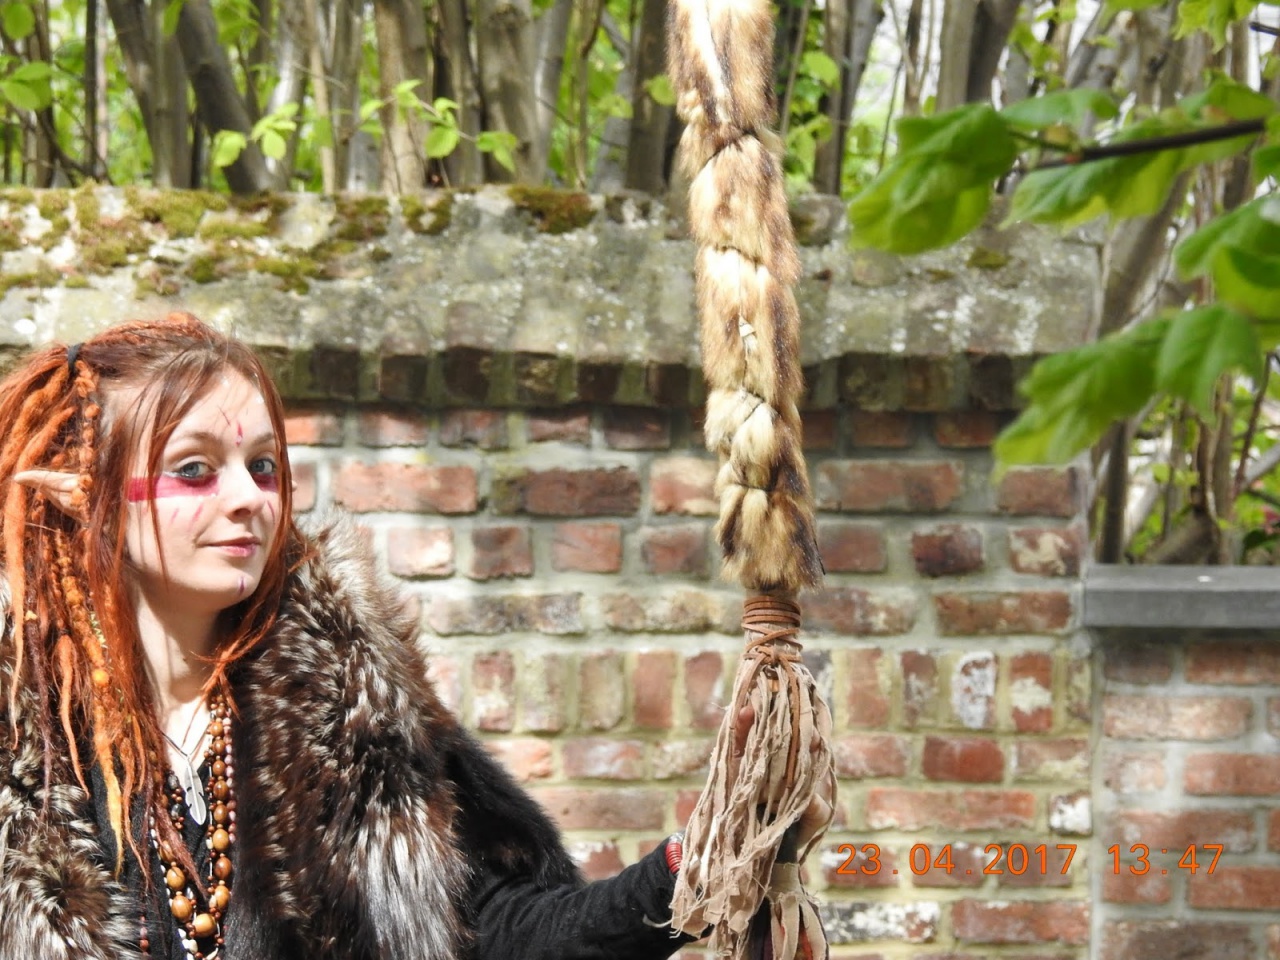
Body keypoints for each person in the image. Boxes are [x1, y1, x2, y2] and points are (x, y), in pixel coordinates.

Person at [0, 313, 829, 960]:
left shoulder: (343, 704)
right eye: (194, 469)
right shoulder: (21, 742)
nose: (248, 497)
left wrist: (699, 856)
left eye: (263, 466)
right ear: (85, 492)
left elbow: (498, 930)